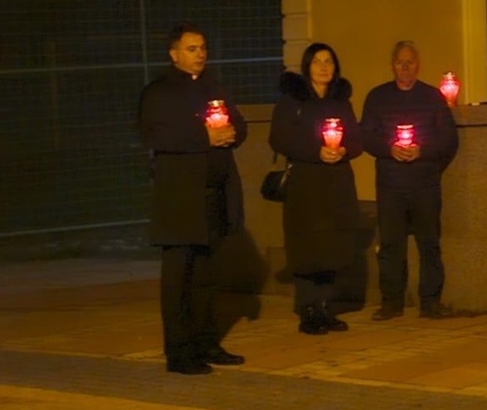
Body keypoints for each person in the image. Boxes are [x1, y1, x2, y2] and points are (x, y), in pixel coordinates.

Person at [138, 22, 247, 375]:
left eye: (202, 48)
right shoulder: (159, 92)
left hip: (213, 198)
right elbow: (157, 135)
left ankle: (205, 341)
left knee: (205, 277)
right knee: (178, 280)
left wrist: (231, 133)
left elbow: (239, 126)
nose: (200, 54)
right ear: (174, 54)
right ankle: (179, 351)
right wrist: (205, 137)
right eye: (191, 48)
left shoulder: (213, 88)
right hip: (181, 201)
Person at [361, 41, 459, 320]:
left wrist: (423, 153)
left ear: (419, 64)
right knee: (391, 243)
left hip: (424, 182)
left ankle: (430, 301)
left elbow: (449, 140)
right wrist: (389, 149)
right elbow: (366, 135)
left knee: (429, 242)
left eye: (410, 62)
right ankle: (392, 301)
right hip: (391, 182)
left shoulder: (432, 97)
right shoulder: (377, 97)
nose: (405, 68)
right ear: (392, 65)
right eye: (400, 62)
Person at [269, 43, 363, 334]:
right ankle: (308, 308)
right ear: (307, 66)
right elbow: (280, 138)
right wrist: (316, 151)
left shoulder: (341, 103)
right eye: (318, 61)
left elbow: (358, 140)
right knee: (308, 246)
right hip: (307, 184)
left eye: (329, 62)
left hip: (336, 184)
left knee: (332, 247)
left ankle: (325, 307)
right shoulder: (292, 102)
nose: (324, 67)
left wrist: (343, 149)